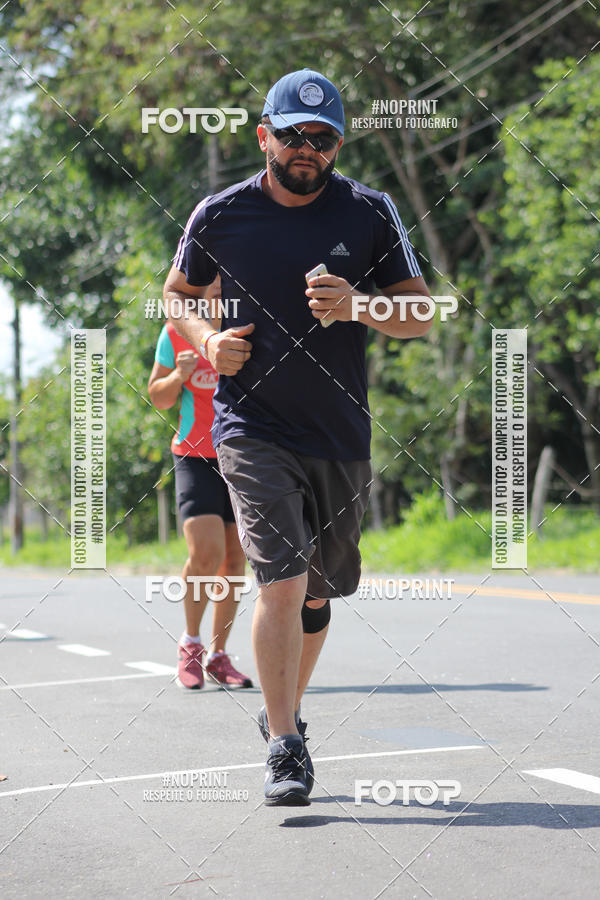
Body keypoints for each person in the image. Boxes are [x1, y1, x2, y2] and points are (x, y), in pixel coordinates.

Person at [163, 68, 432, 805]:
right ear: (265, 137)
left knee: (320, 594)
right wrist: (206, 344)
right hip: (251, 428)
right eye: (292, 135)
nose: (307, 149)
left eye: (323, 138)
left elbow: (422, 314)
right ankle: (285, 745)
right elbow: (175, 293)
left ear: (338, 144)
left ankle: (286, 711)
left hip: (340, 434)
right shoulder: (220, 215)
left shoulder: (370, 213)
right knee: (280, 579)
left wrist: (360, 305)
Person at [148, 273, 253, 691]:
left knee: (234, 560)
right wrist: (179, 376)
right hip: (194, 454)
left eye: (226, 284)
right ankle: (190, 644)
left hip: (241, 455)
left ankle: (218, 654)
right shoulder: (175, 332)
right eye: (211, 284)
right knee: (205, 553)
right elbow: (157, 396)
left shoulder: (246, 329)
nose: (219, 290)